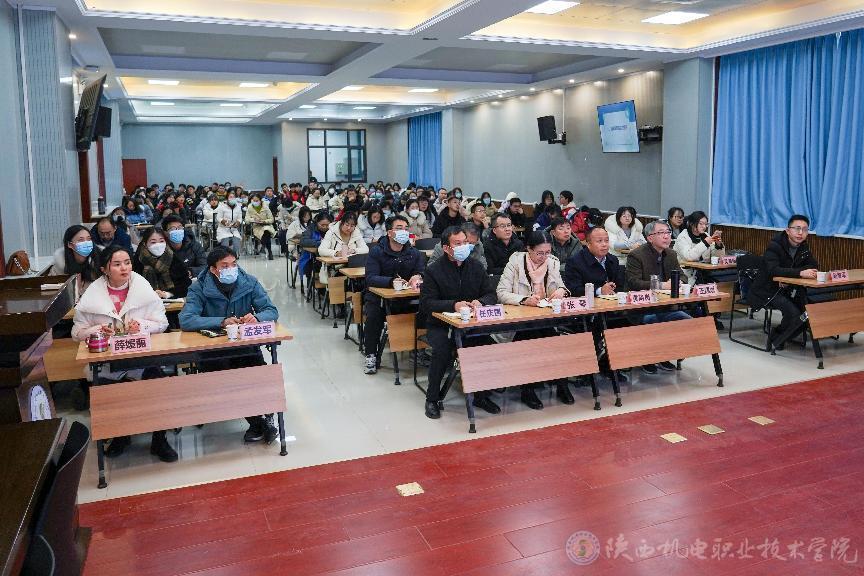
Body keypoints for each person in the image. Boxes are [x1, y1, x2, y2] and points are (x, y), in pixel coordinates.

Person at [71, 246, 176, 462]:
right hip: (107, 362)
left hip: (141, 358)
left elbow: (162, 323)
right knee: (109, 395)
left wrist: (142, 326)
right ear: (104, 269)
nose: (124, 268)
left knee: (159, 386)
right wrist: (99, 330)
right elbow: (77, 333)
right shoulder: (91, 295)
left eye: (127, 262)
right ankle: (120, 436)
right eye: (117, 264)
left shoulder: (143, 289)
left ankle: (159, 440)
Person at [179, 247, 281, 443]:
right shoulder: (198, 288)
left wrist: (257, 318)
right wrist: (221, 321)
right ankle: (259, 422)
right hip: (213, 349)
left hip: (244, 346)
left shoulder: (249, 282)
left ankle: (264, 417)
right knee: (228, 380)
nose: (231, 269)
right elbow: (186, 319)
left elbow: (271, 310)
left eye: (233, 264)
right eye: (224, 266)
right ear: (213, 269)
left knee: (258, 373)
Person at [420, 226, 499, 419]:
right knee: (442, 351)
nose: (464, 246)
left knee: (488, 346)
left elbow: (491, 294)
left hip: (470, 324)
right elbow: (427, 303)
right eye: (458, 243)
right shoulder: (433, 270)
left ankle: (481, 394)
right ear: (446, 248)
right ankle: (432, 398)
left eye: (466, 242)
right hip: (441, 324)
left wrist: (481, 302)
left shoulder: (476, 266)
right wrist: (453, 305)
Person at [496, 231, 572, 408]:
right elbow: (501, 293)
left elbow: (562, 286)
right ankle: (527, 390)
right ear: (528, 249)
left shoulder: (552, 262)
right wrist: (524, 299)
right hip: (520, 322)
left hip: (545, 318)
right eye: (539, 253)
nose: (544, 257)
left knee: (558, 342)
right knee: (530, 340)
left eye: (547, 252)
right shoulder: (515, 263)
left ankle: (562, 385)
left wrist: (561, 291)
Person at [625, 220, 690, 374]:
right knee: (652, 320)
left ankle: (666, 355)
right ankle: (648, 358)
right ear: (650, 238)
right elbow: (634, 283)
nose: (666, 236)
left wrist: (678, 282)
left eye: (668, 232)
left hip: (665, 306)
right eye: (661, 233)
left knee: (687, 320)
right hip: (641, 309)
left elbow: (683, 276)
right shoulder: (636, 255)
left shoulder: (671, 254)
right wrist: (661, 285)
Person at [363, 215, 425, 374]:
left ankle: (420, 349)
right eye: (399, 228)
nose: (404, 231)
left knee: (426, 309)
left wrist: (418, 276)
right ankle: (370, 354)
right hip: (379, 298)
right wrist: (391, 282)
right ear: (390, 233)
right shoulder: (377, 251)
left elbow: (422, 271)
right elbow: (370, 278)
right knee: (374, 315)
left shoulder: (414, 253)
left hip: (406, 298)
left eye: (406, 228)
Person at [749, 215, 819, 351]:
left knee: (807, 313)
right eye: (797, 228)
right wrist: (798, 273)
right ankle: (776, 337)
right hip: (766, 290)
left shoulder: (803, 246)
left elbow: (813, 266)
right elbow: (773, 270)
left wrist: (787, 274)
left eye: (805, 229)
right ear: (787, 231)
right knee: (794, 313)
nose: (800, 233)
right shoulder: (775, 246)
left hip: (788, 289)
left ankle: (782, 336)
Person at [564, 227, 626, 297]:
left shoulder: (613, 259)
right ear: (588, 244)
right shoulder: (575, 262)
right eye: (599, 241)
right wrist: (599, 291)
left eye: (606, 240)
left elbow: (620, 286)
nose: (604, 244)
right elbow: (574, 289)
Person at [133, 227, 192, 298]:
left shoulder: (174, 259)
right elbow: (133, 286)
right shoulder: (138, 260)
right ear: (145, 244)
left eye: (161, 241)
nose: (158, 245)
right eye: (153, 242)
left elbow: (186, 285)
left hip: (173, 301)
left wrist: (168, 294)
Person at [51, 225, 101, 298]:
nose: (86, 243)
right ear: (70, 245)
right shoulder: (59, 268)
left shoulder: (100, 263)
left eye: (89, 239)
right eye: (81, 240)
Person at [674, 210, 725, 279]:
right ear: (692, 224)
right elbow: (689, 256)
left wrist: (718, 245)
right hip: (686, 275)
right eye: (701, 224)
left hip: (704, 273)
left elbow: (716, 258)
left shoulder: (706, 235)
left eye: (706, 224)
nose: (704, 227)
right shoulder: (683, 237)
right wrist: (705, 243)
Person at [298, 211, 331, 278]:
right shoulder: (311, 229)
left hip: (328, 258)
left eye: (327, 225)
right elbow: (303, 241)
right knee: (314, 265)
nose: (325, 227)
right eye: (322, 225)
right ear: (317, 222)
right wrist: (320, 243)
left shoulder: (332, 230)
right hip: (310, 258)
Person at [245, 193, 276, 259]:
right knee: (265, 233)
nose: (255, 202)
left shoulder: (265, 207)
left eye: (257, 201)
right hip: (256, 226)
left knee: (266, 230)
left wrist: (264, 221)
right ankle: (269, 251)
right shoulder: (250, 207)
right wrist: (253, 220)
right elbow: (246, 220)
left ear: (260, 200)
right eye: (254, 200)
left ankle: (263, 247)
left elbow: (271, 219)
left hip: (266, 224)